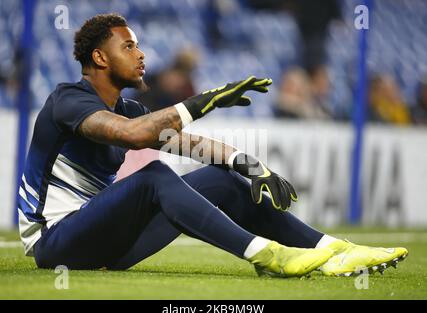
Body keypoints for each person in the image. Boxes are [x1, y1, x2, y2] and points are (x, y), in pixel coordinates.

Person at [18, 13, 407, 278]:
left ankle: (335, 251)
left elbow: (189, 144)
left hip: (103, 247)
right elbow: (132, 135)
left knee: (223, 179)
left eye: (138, 46)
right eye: (129, 47)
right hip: (56, 245)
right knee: (154, 176)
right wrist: (203, 101)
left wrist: (250, 165)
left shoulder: (129, 109)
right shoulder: (67, 99)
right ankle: (266, 254)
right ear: (100, 57)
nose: (141, 55)